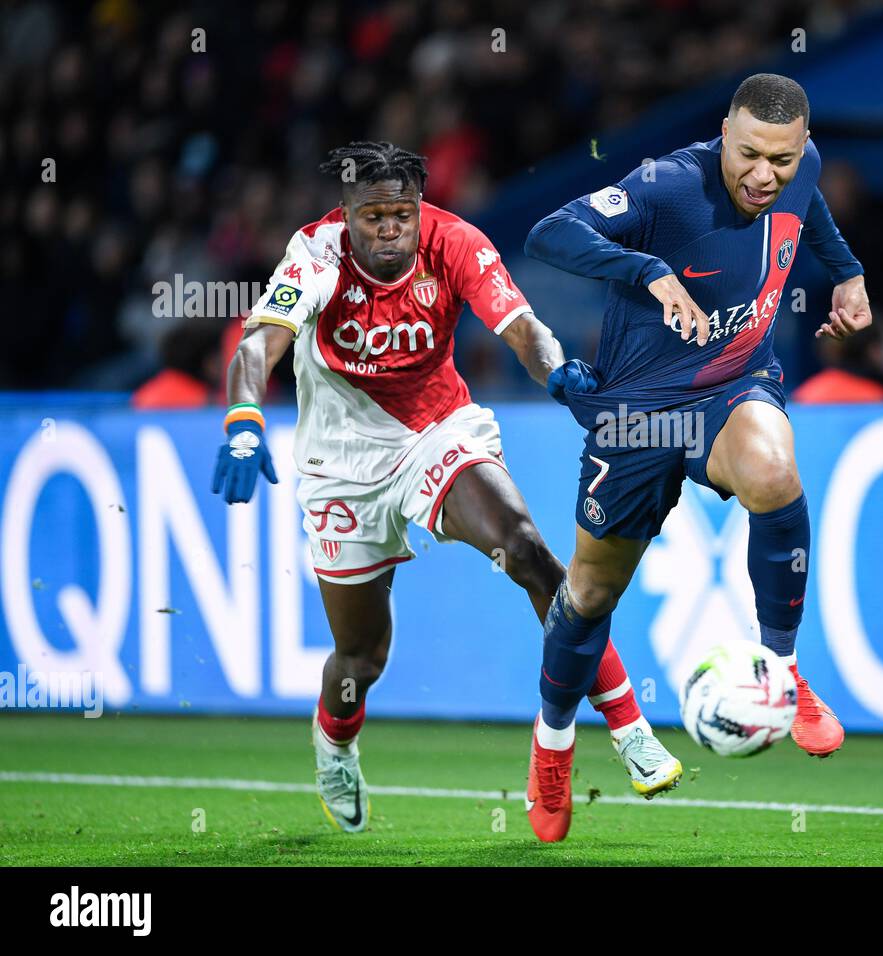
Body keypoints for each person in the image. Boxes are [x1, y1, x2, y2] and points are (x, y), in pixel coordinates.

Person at [210, 142, 681, 835]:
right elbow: (259, 343)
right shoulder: (314, 255)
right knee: (361, 658)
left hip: (437, 434)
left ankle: (627, 726)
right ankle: (335, 742)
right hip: (340, 466)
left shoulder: (455, 242)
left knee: (524, 547)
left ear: (419, 208)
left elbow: (521, 326)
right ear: (346, 215)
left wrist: (555, 372)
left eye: (402, 213)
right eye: (373, 217)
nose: (390, 229)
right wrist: (245, 422)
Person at [523, 74, 872, 841]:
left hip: (732, 387)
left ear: (800, 146)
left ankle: (778, 670)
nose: (764, 176)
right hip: (637, 418)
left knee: (775, 473)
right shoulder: (668, 187)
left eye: (781, 160)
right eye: (748, 154)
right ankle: (552, 747)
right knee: (587, 594)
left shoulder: (800, 167)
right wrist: (647, 269)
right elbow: (549, 231)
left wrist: (845, 271)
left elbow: (805, 208)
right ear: (723, 132)